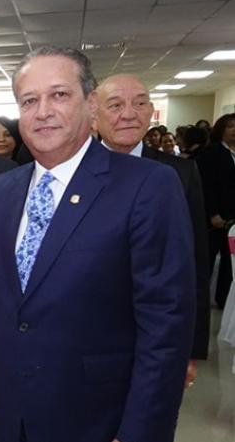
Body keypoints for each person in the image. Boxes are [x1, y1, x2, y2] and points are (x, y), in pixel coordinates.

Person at [0, 46, 195, 442]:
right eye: (29, 100)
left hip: (100, 419)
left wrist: (140, 433)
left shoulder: (147, 185)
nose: (43, 111)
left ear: (89, 104)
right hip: (13, 417)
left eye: (59, 95)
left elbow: (166, 326)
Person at [94, 73, 209, 387]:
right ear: (94, 113)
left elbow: (195, 262)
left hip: (155, 332)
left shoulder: (179, 172)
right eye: (115, 105)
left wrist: (191, 348)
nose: (129, 114)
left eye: (140, 103)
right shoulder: (75, 171)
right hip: (89, 335)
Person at [196, 113, 235, 308]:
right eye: (231, 126)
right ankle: (200, 299)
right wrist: (213, 213)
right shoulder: (212, 152)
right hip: (215, 218)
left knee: (230, 261)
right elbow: (206, 185)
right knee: (207, 259)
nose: (234, 130)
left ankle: (224, 299)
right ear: (221, 129)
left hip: (233, 219)